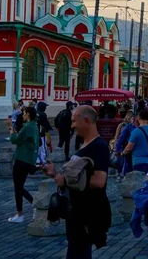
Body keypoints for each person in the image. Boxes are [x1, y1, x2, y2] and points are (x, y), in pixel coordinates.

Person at [45, 105, 111, 259]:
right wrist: (54, 173)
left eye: (74, 121)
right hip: (76, 212)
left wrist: (66, 180)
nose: (72, 125)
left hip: (86, 214)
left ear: (86, 120)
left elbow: (100, 181)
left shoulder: (99, 146)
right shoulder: (85, 144)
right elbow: (75, 178)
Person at [7, 106, 39, 223]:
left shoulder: (28, 127)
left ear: (29, 114)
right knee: (19, 186)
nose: (23, 115)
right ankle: (32, 206)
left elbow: (15, 139)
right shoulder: (34, 126)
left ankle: (22, 212)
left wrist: (10, 127)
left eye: (24, 113)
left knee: (18, 187)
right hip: (27, 160)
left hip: (21, 159)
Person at [122, 109, 148, 173]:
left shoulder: (135, 132)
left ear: (138, 118)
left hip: (137, 162)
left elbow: (129, 148)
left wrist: (122, 153)